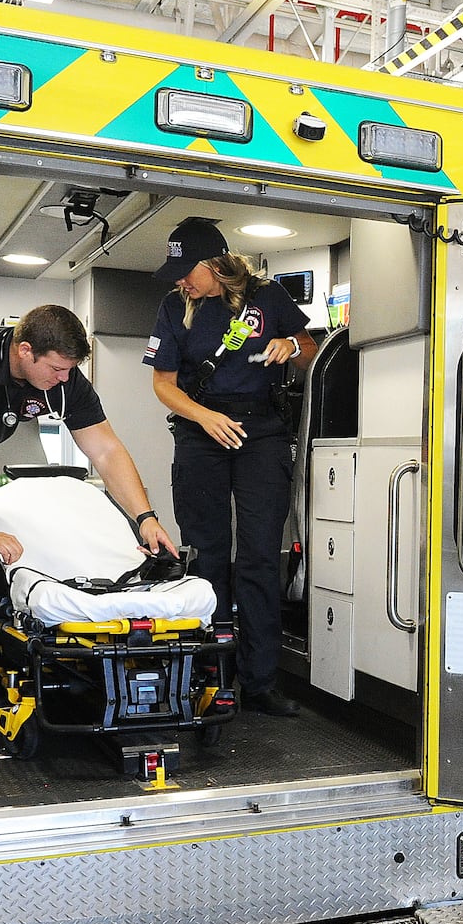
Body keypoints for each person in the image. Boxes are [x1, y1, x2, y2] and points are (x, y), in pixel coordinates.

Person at [0, 305, 175, 712]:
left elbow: (107, 450)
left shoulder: (64, 379)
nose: (63, 379)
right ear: (25, 351)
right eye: (58, 370)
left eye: (69, 370)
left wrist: (145, 518)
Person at [144, 219, 317, 718]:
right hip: (202, 433)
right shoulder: (175, 307)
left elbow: (306, 350)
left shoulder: (269, 297)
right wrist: (204, 417)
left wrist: (290, 347)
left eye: (187, 271)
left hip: (261, 433)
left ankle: (260, 681)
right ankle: (210, 678)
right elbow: (164, 384)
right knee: (207, 557)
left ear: (216, 264)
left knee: (261, 556)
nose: (180, 280)